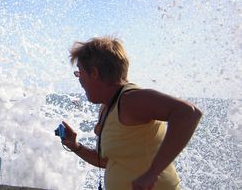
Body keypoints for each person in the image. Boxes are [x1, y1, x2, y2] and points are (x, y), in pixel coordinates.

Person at [61, 37, 202, 190]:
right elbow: (109, 161)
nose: (79, 79)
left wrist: (152, 173)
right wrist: (75, 146)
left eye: (79, 72)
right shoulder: (108, 106)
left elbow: (189, 113)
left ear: (94, 73)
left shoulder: (130, 100)